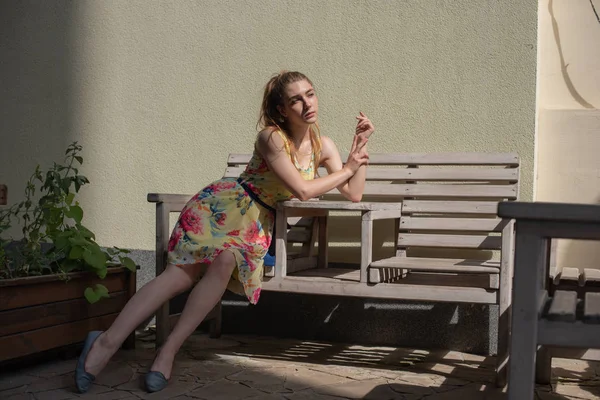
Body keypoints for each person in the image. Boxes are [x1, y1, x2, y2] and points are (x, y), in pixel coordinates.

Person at [74, 71, 375, 393]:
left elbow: (353, 194)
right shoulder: (271, 137)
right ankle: (105, 343)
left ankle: (168, 351)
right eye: (295, 100)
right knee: (179, 277)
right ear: (282, 109)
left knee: (226, 261)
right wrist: (346, 169)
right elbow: (302, 190)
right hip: (222, 207)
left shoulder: (323, 145)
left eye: (310, 94)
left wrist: (359, 152)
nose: (306, 104)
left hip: (256, 223)